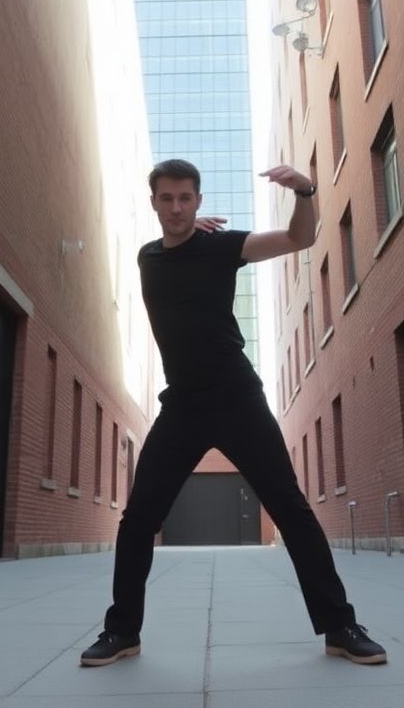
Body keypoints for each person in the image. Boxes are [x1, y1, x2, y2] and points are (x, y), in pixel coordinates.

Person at [80, 159, 387, 667]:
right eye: (167, 199)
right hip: (182, 404)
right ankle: (122, 632)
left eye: (186, 198)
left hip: (236, 396)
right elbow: (171, 252)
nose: (176, 207)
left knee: (290, 508)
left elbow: (298, 239)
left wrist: (305, 191)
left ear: (199, 201)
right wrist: (183, 236)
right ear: (153, 202)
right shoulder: (146, 257)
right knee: (137, 520)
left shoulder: (223, 247)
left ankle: (340, 626)